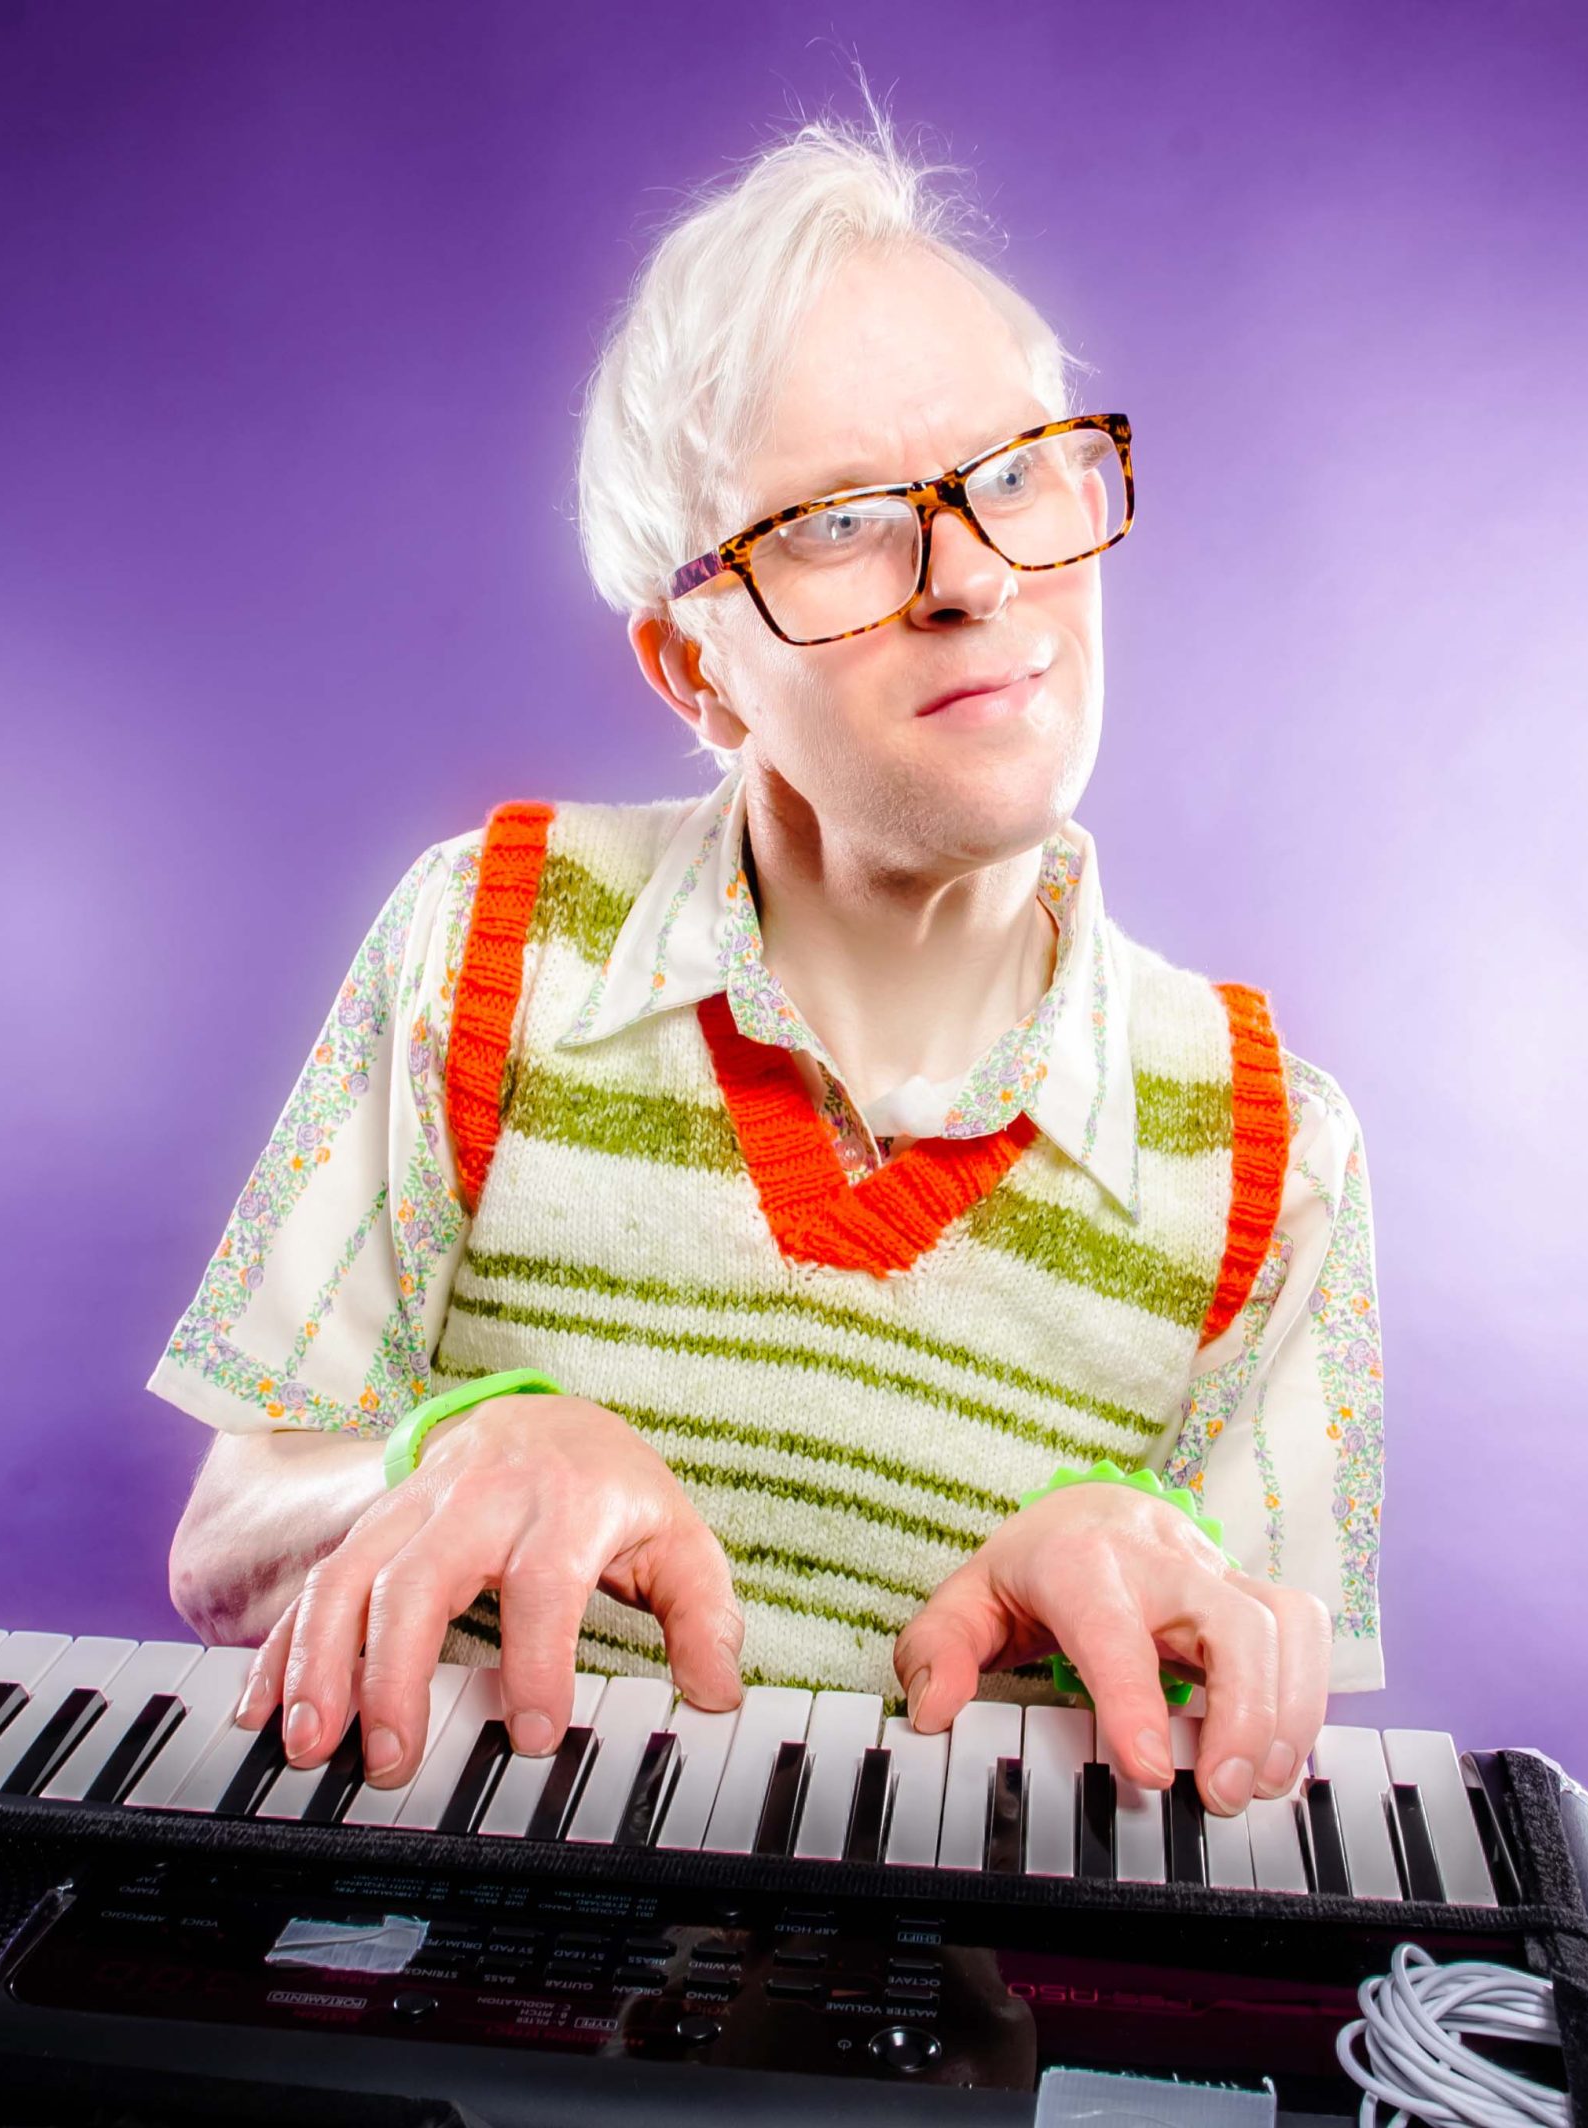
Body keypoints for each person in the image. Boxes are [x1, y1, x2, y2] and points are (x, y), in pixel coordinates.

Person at [153, 98, 1384, 1829]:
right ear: (694, 672)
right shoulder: (484, 933)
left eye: (1020, 472)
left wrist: (1165, 1610)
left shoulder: (1280, 1151)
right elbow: (227, 1553)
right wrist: (465, 1445)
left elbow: (1266, 1730)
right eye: (839, 523)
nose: (972, 574)